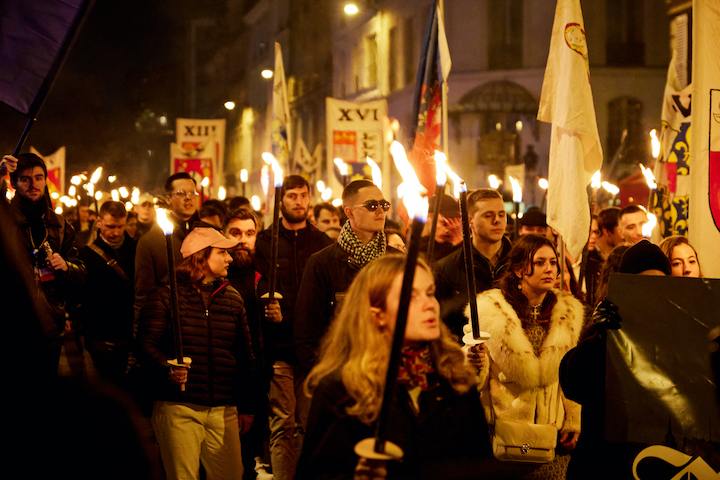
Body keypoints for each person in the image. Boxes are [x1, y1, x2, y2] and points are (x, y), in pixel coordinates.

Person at [297, 255, 494, 480]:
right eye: (411, 297)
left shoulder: (454, 378)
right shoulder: (342, 389)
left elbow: (481, 463)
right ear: (377, 314)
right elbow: (315, 473)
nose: (429, 304)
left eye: (430, 293)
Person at [136, 226, 258, 480]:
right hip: (178, 406)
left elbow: (245, 356)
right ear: (201, 256)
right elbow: (145, 345)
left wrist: (247, 405)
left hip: (222, 408)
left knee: (231, 474)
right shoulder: (165, 296)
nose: (230, 258)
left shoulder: (233, 299)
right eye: (222, 252)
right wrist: (168, 367)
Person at [466, 234, 584, 479]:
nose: (549, 268)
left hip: (551, 433)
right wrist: (472, 361)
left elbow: (570, 373)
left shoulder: (567, 313)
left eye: (553, 262)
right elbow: (478, 372)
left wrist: (573, 419)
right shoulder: (491, 312)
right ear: (520, 270)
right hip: (504, 431)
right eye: (540, 263)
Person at [559, 240, 671, 479]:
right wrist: (600, 338)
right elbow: (573, 385)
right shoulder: (605, 327)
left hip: (656, 459)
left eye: (659, 282)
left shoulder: (677, 331)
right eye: (642, 281)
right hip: (606, 462)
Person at [254, 175, 333, 480]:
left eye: (303, 195)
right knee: (283, 424)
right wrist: (269, 311)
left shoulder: (322, 243)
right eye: (292, 196)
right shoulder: (265, 243)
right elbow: (255, 289)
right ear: (281, 200)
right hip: (280, 349)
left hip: (314, 350)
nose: (299, 202)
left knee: (310, 422)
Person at [295, 180, 400, 376]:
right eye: (371, 205)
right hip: (340, 371)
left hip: (389, 369)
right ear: (349, 212)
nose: (380, 211)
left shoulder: (397, 261)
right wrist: (322, 375)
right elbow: (307, 330)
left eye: (383, 205)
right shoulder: (323, 263)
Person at [6, 153, 86, 375]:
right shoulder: (5, 219)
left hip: (48, 326)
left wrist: (67, 267)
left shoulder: (59, 225)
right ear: (13, 182)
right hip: (11, 325)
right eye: (25, 179)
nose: (34, 184)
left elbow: (81, 272)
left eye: (39, 178)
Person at [224, 207, 277, 480]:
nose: (243, 240)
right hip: (225, 381)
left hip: (259, 376)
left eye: (249, 233)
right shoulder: (216, 277)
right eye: (235, 233)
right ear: (223, 235)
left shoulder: (265, 275)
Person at [433, 188, 512, 338]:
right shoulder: (447, 268)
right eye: (488, 215)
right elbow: (441, 325)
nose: (497, 220)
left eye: (501, 214)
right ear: (470, 221)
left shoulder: (521, 263)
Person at [77, 201, 136, 385]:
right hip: (98, 336)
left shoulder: (138, 250)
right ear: (99, 221)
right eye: (110, 226)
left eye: (120, 226)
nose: (116, 232)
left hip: (129, 336)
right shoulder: (86, 255)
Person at [134, 172, 200, 321]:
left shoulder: (210, 232)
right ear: (169, 199)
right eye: (181, 193)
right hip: (170, 321)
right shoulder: (150, 241)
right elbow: (144, 295)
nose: (188, 197)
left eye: (192, 192)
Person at [419, 193, 463, 263]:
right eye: (444, 223)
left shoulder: (451, 247)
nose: (448, 230)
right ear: (427, 217)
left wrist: (458, 243)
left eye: (453, 224)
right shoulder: (413, 245)